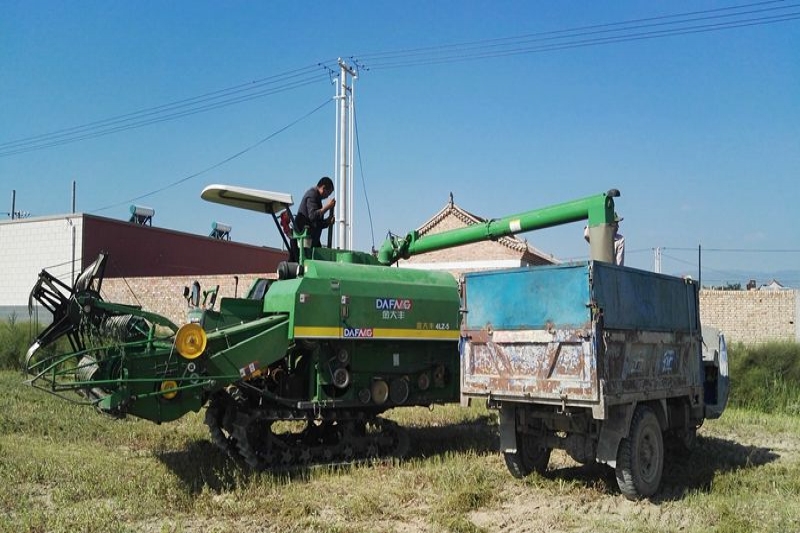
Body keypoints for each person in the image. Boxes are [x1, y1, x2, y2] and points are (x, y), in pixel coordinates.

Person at [295, 176, 336, 249]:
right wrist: (327, 207)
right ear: (323, 188)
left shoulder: (317, 199)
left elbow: (317, 223)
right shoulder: (312, 194)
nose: (327, 196)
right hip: (303, 240)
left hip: (311, 240)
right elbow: (313, 216)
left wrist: (327, 222)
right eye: (328, 193)